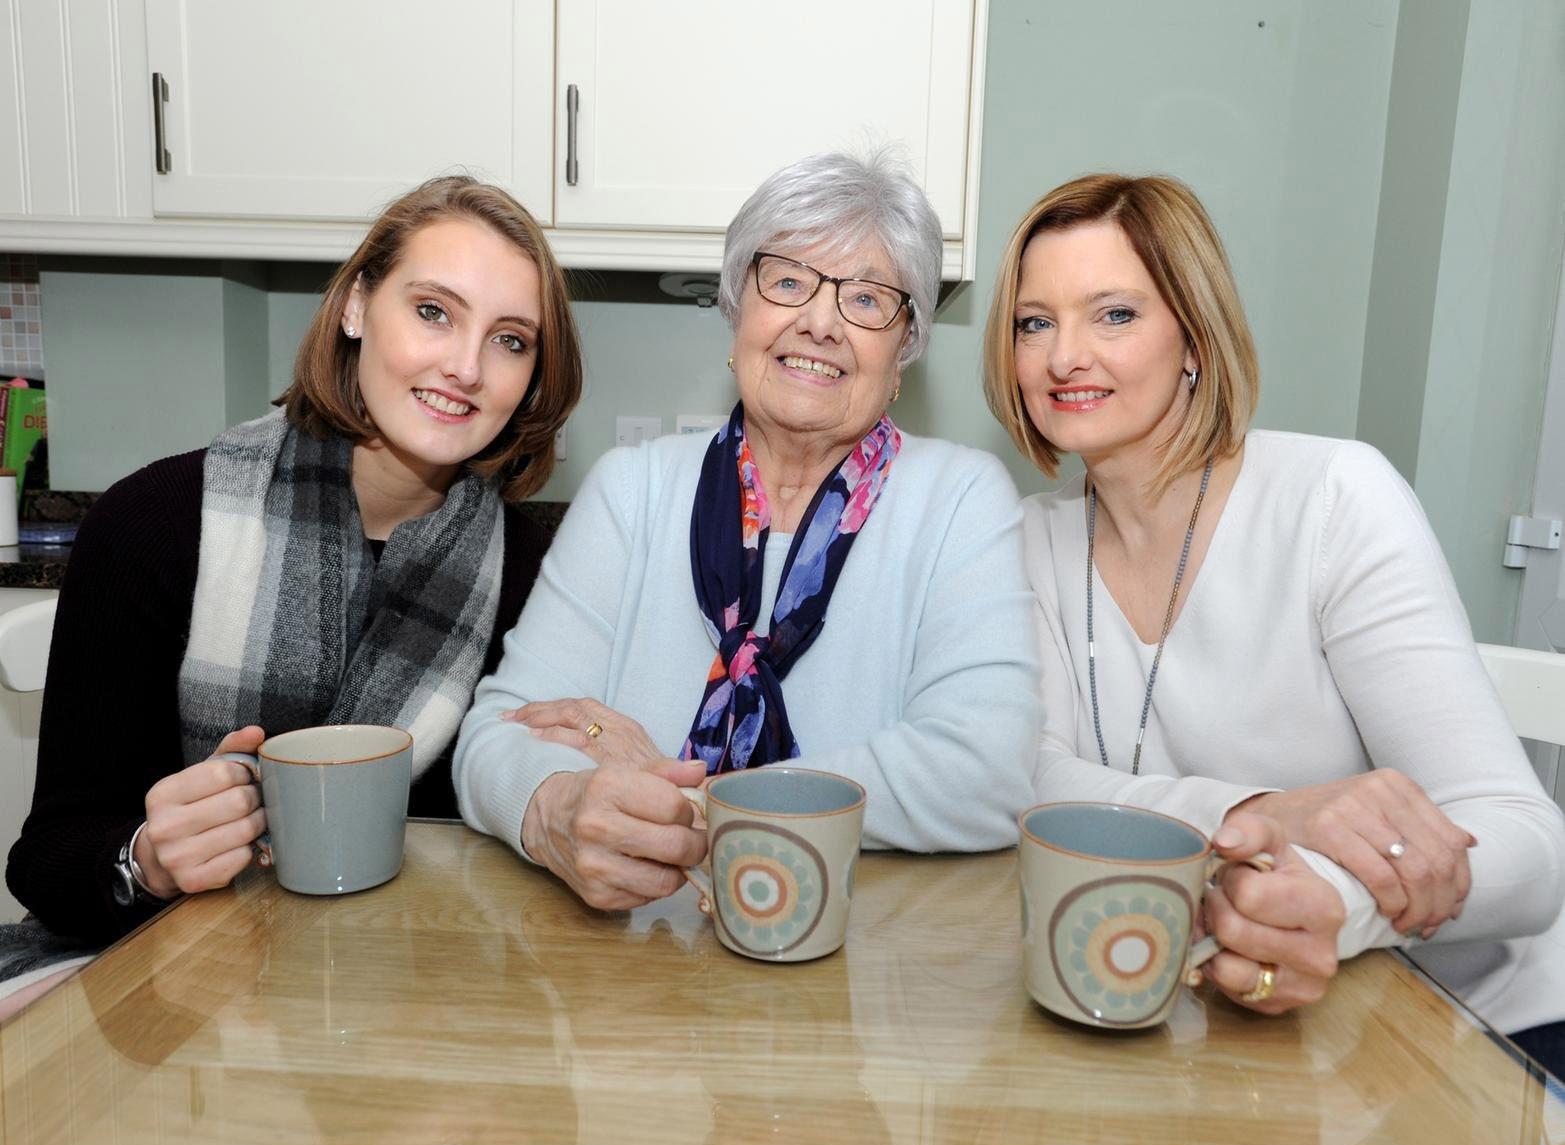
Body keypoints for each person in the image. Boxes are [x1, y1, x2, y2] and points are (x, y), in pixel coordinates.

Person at [982, 173, 1565, 1052]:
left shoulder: (1333, 497)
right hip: (1225, 1019)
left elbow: (1527, 850)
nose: (1064, 355)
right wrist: (1269, 812)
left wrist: (1340, 903)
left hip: (1474, 1030)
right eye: (1035, 322)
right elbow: (1033, 779)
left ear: (1192, 338)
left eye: (1114, 314)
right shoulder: (1027, 539)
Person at [455, 149, 1043, 910]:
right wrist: (554, 805)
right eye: (788, 281)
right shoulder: (632, 488)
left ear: (903, 353)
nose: (820, 322)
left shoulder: (959, 497)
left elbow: (987, 771)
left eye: (866, 300)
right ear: (736, 314)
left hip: (857, 976)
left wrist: (702, 807)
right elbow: (494, 738)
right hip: (626, 967)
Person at [7, 175, 582, 948]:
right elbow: (49, 859)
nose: (468, 368)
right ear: (354, 307)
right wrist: (148, 860)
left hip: (419, 980)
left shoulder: (535, 577)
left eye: (510, 340)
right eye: (433, 312)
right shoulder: (151, 523)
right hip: (173, 987)